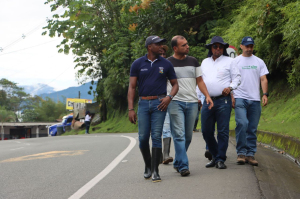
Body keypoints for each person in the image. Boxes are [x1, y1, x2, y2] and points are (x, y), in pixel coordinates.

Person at [127, 35, 179, 182]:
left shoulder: (166, 64)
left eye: (162, 44)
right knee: (143, 138)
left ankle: (156, 171)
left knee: (156, 136)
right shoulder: (137, 64)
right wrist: (131, 109)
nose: (161, 46)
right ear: (150, 46)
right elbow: (131, 87)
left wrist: (169, 97)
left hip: (159, 103)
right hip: (143, 104)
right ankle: (148, 165)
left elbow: (175, 84)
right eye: (158, 44)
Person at [167, 35, 213, 176]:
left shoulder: (193, 61)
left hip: (192, 103)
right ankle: (184, 166)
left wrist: (207, 96)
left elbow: (200, 81)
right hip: (175, 102)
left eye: (187, 44)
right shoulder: (167, 63)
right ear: (175, 48)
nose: (187, 47)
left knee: (187, 136)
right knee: (179, 135)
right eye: (183, 45)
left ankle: (177, 162)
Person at [201, 36, 241, 169]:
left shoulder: (230, 61)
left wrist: (230, 88)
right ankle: (215, 154)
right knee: (206, 130)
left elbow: (237, 78)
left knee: (222, 131)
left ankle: (220, 159)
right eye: (215, 46)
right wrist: (199, 98)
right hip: (208, 99)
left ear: (223, 48)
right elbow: (200, 81)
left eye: (220, 47)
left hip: (223, 100)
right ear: (211, 48)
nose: (218, 49)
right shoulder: (205, 62)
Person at [233, 36, 269, 166]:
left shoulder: (259, 61)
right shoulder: (235, 61)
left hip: (255, 99)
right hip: (239, 97)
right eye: (246, 46)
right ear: (241, 46)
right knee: (242, 124)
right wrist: (232, 95)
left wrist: (265, 94)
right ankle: (241, 153)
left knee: (252, 128)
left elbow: (263, 79)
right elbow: (231, 79)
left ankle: (250, 154)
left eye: (251, 46)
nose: (249, 49)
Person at [160, 45, 174, 165]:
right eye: (160, 54)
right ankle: (159, 154)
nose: (163, 56)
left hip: (170, 99)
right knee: (157, 130)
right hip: (157, 101)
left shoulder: (169, 66)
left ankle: (165, 154)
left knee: (167, 127)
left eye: (164, 54)